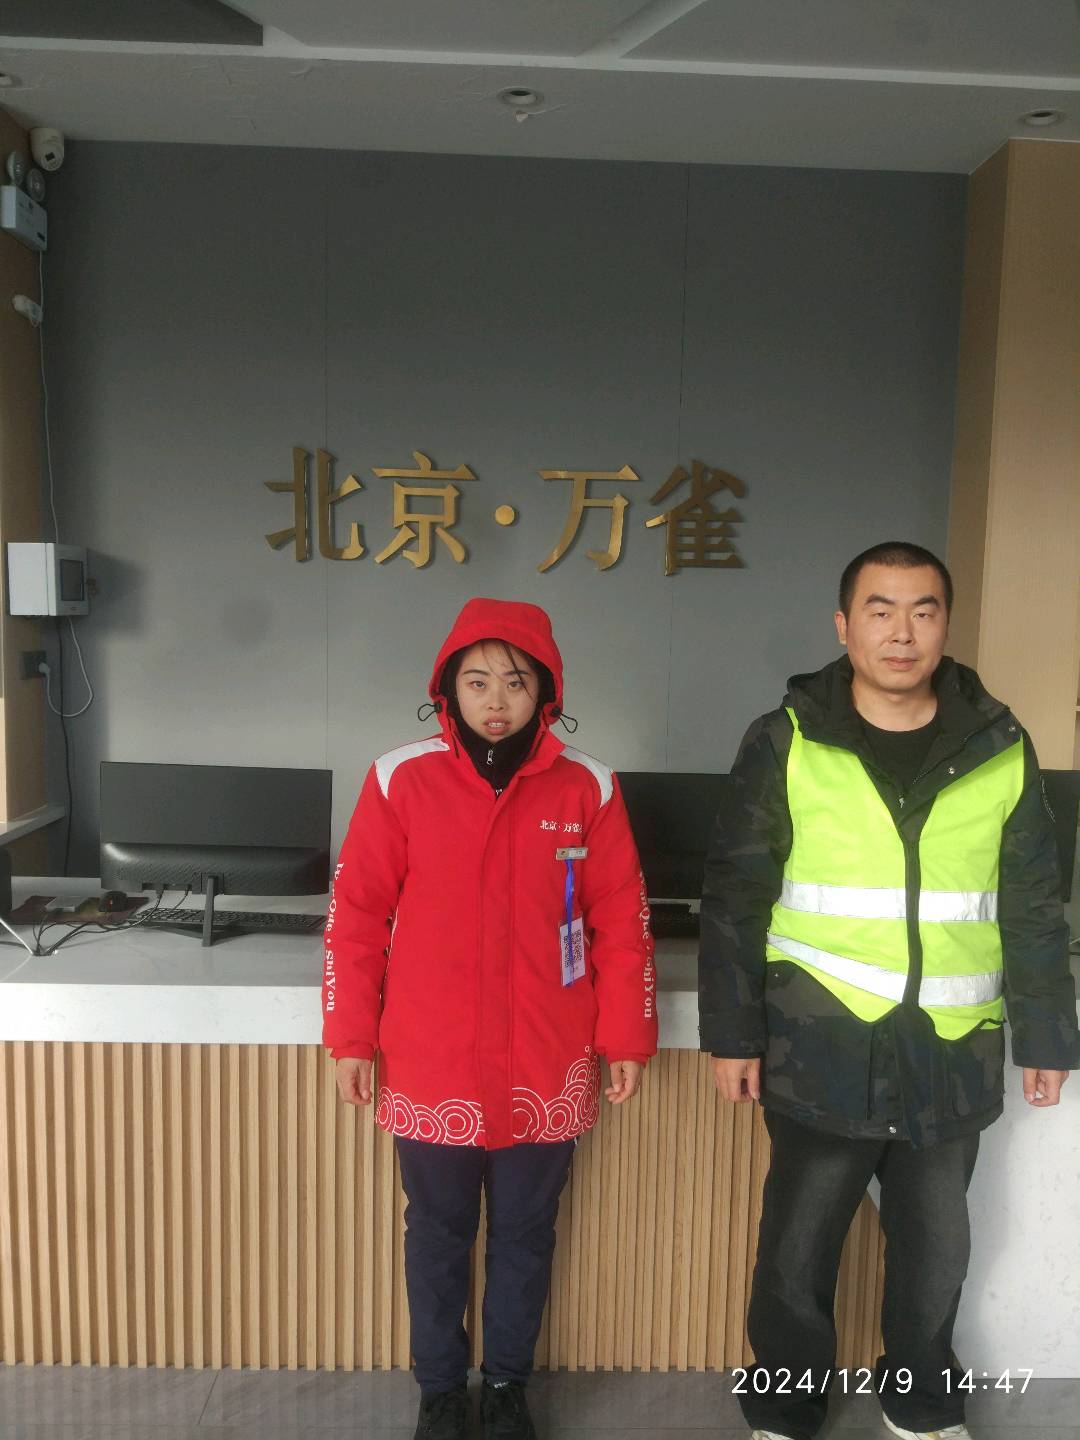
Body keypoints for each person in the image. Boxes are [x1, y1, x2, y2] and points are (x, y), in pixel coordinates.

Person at [698, 541, 1079, 1440]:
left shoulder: (999, 747)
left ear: (946, 625)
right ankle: (785, 1405)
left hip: (950, 1046)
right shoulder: (787, 739)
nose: (901, 632)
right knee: (798, 1249)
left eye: (922, 610)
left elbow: (1033, 903)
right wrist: (732, 1032)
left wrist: (1048, 1037)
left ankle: (921, 1402)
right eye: (880, 610)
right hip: (818, 1042)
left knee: (936, 1251)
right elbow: (736, 894)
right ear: (844, 625)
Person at [323, 596, 657, 1440]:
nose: (496, 699)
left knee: (526, 1234)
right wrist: (351, 1037)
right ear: (448, 688)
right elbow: (357, 916)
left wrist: (625, 1036)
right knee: (436, 1235)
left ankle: (507, 1386)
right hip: (431, 1058)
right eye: (477, 681)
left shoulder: (587, 786)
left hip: (546, 1057)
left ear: (546, 689)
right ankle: (440, 1391)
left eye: (515, 681)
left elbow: (621, 922)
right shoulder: (400, 778)